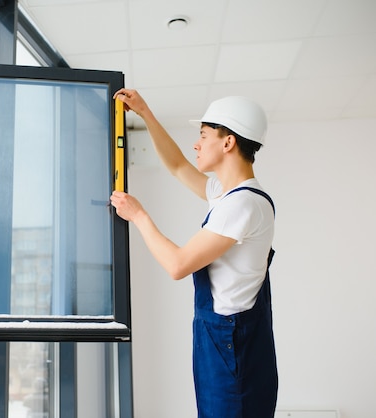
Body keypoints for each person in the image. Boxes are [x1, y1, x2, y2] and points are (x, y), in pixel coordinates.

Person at [110, 89, 278, 418]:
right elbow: (176, 166)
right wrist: (145, 112)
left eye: (203, 135)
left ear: (228, 142)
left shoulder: (242, 204)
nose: (196, 144)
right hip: (225, 342)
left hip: (233, 350)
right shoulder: (232, 196)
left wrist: (139, 217)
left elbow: (178, 265)